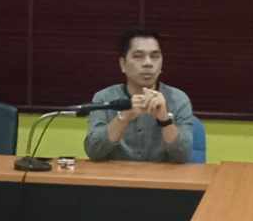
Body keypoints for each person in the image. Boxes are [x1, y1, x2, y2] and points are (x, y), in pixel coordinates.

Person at [83, 28, 195, 163]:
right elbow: (94, 152)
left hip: (162, 176)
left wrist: (165, 119)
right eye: (138, 56)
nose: (148, 63)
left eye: (154, 56)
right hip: (116, 175)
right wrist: (123, 118)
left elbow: (183, 156)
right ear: (123, 64)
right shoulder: (104, 98)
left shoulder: (178, 99)